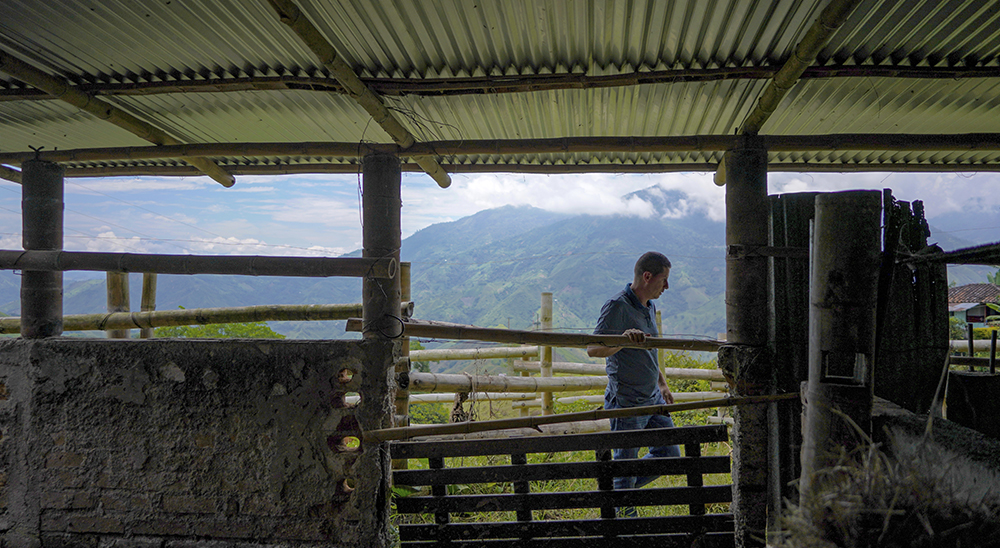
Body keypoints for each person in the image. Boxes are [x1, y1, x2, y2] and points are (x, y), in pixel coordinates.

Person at [587, 251, 680, 514]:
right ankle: (624, 520)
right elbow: (593, 349)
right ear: (647, 276)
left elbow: (649, 350)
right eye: (664, 280)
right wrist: (622, 340)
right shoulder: (617, 305)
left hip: (653, 397)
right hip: (626, 400)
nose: (667, 287)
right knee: (625, 466)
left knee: (669, 455)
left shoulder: (649, 306)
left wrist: (661, 383)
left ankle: (617, 493)